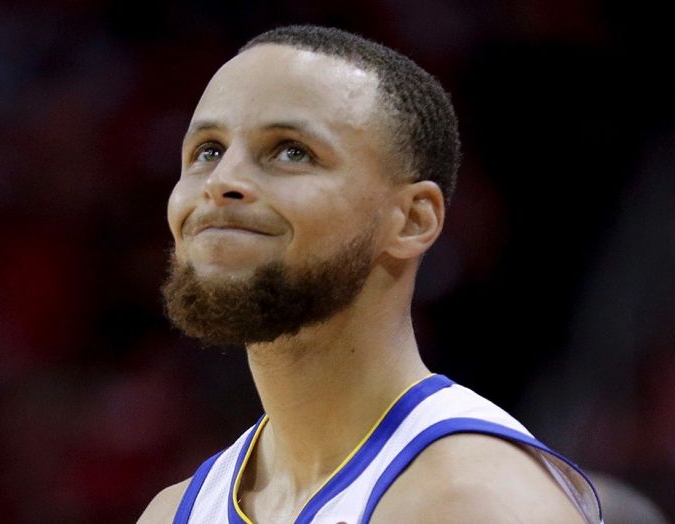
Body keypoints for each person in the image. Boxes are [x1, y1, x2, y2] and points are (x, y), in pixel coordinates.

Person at [140, 25, 602, 524]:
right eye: (208, 150)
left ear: (412, 220)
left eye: (292, 151)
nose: (222, 181)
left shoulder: (476, 502)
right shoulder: (172, 512)